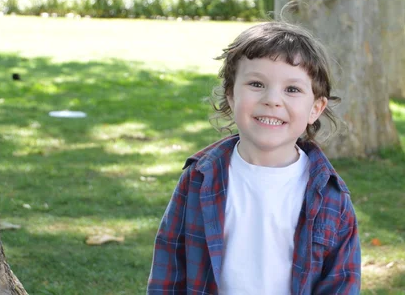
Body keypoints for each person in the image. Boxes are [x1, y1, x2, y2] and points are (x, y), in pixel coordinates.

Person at [147, 21, 361, 294]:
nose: (272, 99)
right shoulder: (198, 179)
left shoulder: (331, 198)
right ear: (231, 96)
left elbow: (341, 283)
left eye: (292, 89)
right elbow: (169, 269)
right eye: (256, 84)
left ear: (315, 109)